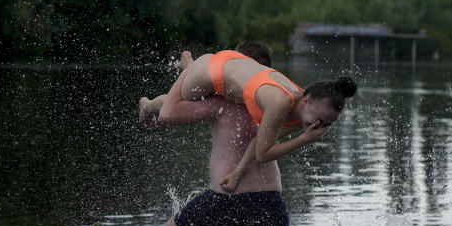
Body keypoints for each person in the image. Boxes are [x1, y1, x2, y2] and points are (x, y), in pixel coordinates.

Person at [149, 42, 347, 226]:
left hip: (229, 201)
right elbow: (259, 145)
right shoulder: (274, 107)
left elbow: (169, 111)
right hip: (269, 201)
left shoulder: (223, 102)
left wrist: (156, 99)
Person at [141, 50, 357, 174]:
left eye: (327, 124)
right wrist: (304, 140)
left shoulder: (301, 113)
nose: (319, 126)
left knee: (202, 103)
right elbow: (264, 154)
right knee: (168, 115)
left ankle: (192, 66)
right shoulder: (281, 103)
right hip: (212, 72)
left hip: (236, 69)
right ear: (307, 100)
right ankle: (154, 100)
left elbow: (258, 142)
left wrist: (236, 175)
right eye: (319, 119)